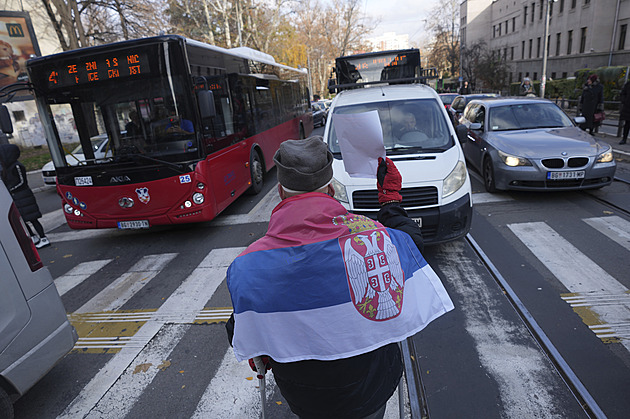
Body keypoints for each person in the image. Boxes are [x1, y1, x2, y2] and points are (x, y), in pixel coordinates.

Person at [225, 136, 453, 419]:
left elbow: (241, 332)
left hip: (305, 398)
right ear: (331, 189)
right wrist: (390, 200)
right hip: (370, 391)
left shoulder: (250, 265)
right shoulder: (373, 239)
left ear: (281, 192)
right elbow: (410, 242)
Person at [0, 144, 50, 248]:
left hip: (24, 195)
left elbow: (22, 182)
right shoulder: (6, 168)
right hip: (15, 197)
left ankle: (43, 237)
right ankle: (33, 236)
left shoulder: (17, 166)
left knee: (33, 218)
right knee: (22, 219)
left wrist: (11, 190)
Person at [619, 80, 630, 145]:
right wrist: (624, 101)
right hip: (628, 106)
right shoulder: (628, 84)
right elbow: (623, 93)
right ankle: (624, 138)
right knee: (627, 124)